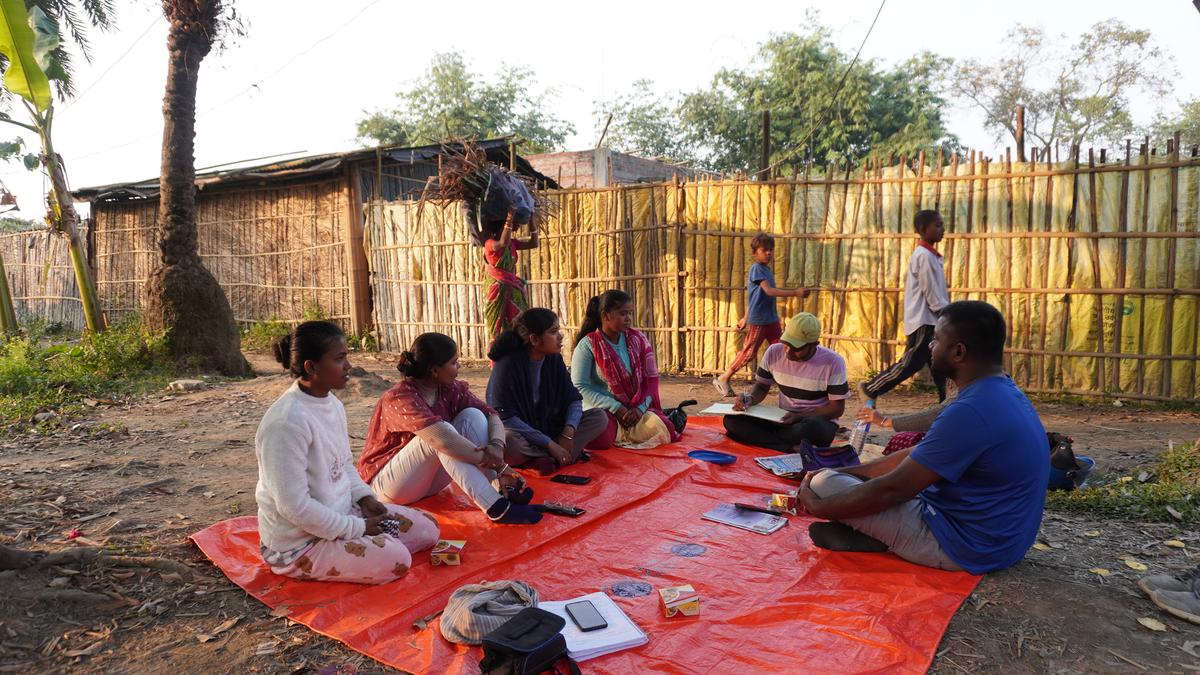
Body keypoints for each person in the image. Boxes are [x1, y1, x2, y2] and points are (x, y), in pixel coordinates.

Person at [799, 301, 1048, 575]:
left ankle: (885, 539)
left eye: (936, 340)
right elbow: (914, 456)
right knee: (833, 477)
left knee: (824, 483)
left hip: (963, 546)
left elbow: (893, 490)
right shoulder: (999, 391)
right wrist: (849, 471)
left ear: (958, 351)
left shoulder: (971, 410)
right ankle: (874, 535)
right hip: (1003, 543)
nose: (930, 347)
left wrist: (817, 505)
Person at [255, 321, 440, 584]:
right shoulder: (286, 423)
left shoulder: (332, 405)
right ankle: (362, 548)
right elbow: (293, 506)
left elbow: (342, 465)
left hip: (343, 516)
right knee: (397, 561)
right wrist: (359, 529)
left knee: (428, 530)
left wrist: (365, 499)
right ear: (311, 367)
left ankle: (367, 543)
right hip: (300, 544)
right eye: (339, 359)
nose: (348, 366)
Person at [358, 333, 543, 525]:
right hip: (390, 486)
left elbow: (491, 415)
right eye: (454, 362)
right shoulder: (399, 397)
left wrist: (496, 447)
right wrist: (496, 463)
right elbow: (443, 441)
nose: (459, 367)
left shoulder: (449, 389)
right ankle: (495, 507)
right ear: (435, 370)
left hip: (427, 483)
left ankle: (499, 487)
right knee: (441, 436)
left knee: (473, 416)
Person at [486, 308, 610, 474]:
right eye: (553, 332)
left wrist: (569, 432)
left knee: (599, 417)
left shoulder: (554, 359)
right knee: (509, 444)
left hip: (551, 429)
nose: (561, 336)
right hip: (523, 435)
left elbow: (573, 398)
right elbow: (505, 417)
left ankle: (542, 459)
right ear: (535, 339)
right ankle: (558, 455)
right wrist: (550, 444)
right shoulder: (507, 365)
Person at [571, 289, 680, 450]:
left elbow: (650, 381)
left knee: (667, 428)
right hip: (604, 410)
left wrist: (640, 409)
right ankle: (622, 433)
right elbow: (579, 386)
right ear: (605, 315)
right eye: (623, 314)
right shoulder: (587, 345)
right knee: (600, 440)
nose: (628, 318)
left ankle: (626, 433)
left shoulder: (638, 340)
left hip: (634, 410)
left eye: (630, 313)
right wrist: (615, 407)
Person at [860, 209, 950, 404]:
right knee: (911, 363)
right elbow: (931, 291)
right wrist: (945, 312)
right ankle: (871, 388)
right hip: (924, 320)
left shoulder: (931, 256)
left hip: (930, 319)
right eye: (938, 225)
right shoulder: (924, 256)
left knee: (939, 364)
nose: (943, 229)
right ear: (924, 229)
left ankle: (947, 401)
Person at [724, 312, 850, 452]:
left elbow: (836, 409)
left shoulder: (833, 362)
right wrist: (749, 399)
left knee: (814, 429)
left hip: (810, 421)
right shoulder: (773, 352)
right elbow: (761, 387)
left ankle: (768, 440)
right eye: (786, 344)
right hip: (782, 419)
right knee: (732, 421)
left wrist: (799, 416)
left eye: (796, 348)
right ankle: (789, 447)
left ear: (814, 344)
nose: (788, 352)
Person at [713, 233, 809, 397]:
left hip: (770, 319)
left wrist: (745, 316)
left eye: (771, 250)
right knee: (749, 353)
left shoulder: (766, 270)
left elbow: (754, 296)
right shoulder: (757, 269)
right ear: (755, 253)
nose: (769, 253)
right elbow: (768, 291)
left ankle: (788, 384)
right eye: (765, 250)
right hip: (760, 321)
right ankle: (723, 377)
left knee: (782, 348)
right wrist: (795, 292)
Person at [483, 207, 539, 342]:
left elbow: (534, 243)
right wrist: (510, 217)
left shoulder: (512, 243)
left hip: (513, 287)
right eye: (509, 226)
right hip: (497, 289)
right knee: (498, 325)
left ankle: (518, 352)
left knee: (519, 321)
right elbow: (502, 243)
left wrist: (532, 221)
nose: (514, 228)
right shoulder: (490, 244)